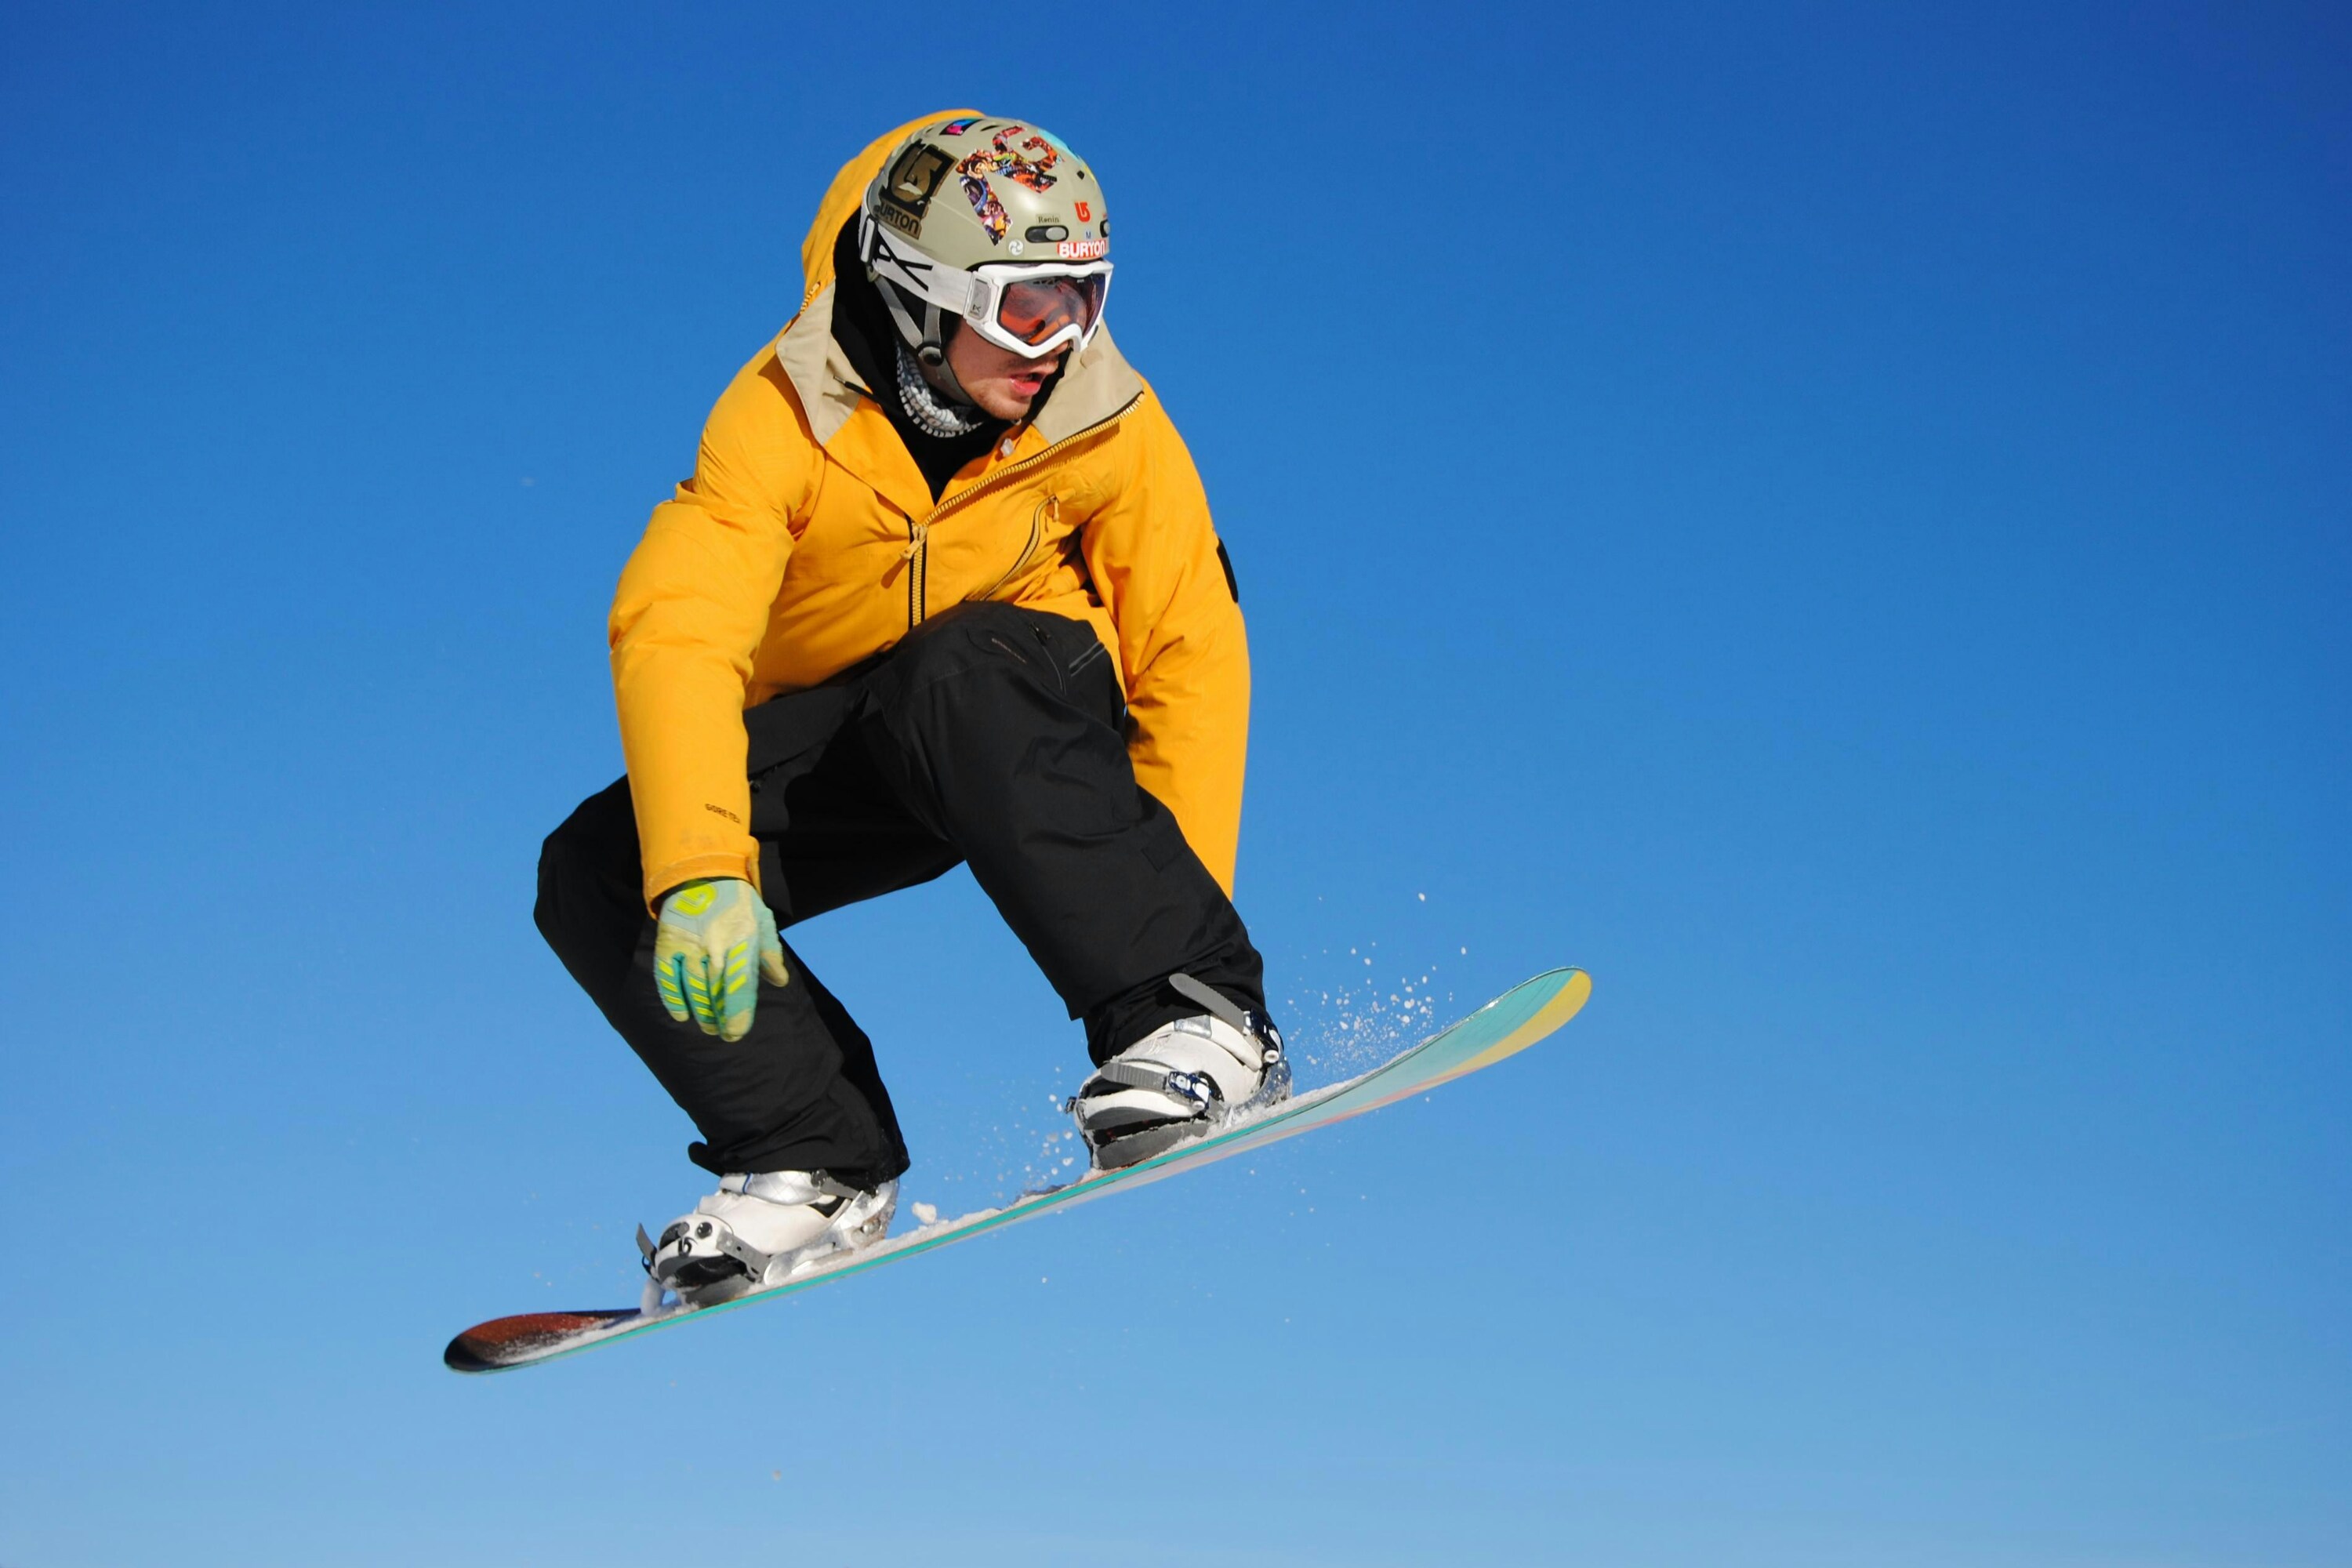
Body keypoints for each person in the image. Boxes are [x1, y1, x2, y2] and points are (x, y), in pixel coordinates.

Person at [534, 112, 1287, 1307]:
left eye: (1085, 300)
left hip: (1021, 716)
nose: (1061, 343)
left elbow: (1189, 646)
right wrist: (699, 875)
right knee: (599, 865)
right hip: (861, 741)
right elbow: (680, 624)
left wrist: (1179, 933)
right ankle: (812, 1157)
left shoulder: (1108, 418)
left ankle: (1188, 1020)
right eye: (1025, 309)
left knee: (959, 665)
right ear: (920, 297)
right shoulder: (785, 417)